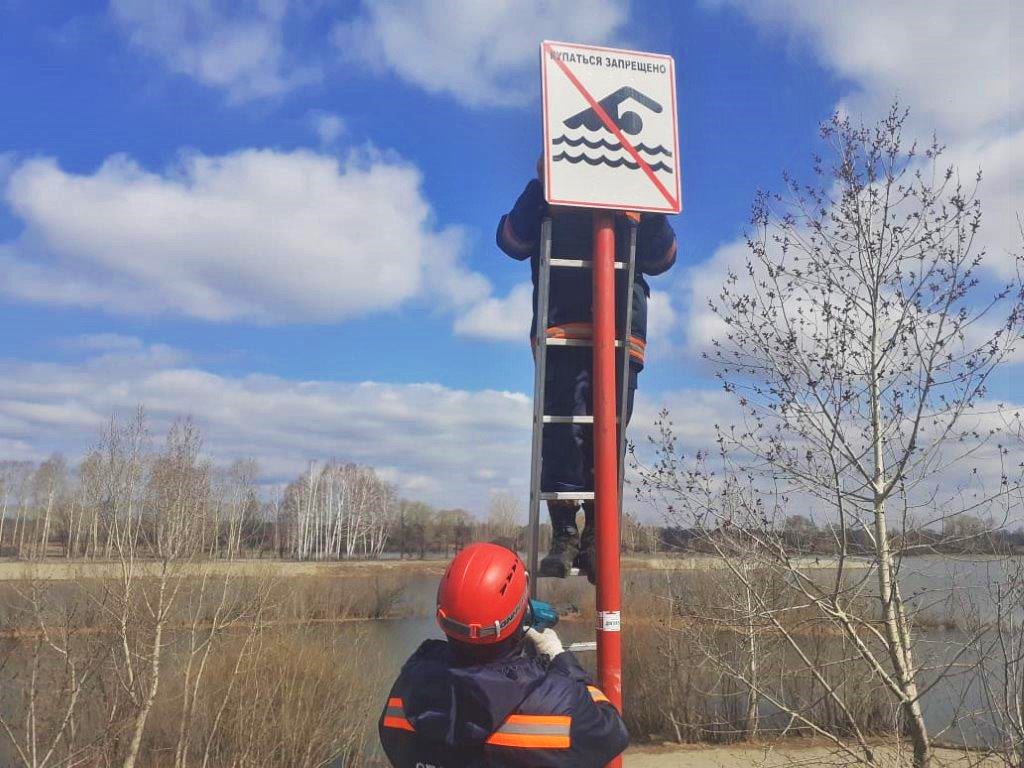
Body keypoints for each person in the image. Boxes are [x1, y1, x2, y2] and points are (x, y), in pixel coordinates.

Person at [496, 161, 678, 581]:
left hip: (620, 333)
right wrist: (542, 184)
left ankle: (598, 534)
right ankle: (564, 535)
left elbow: (662, 257)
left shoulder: (638, 192)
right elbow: (512, 240)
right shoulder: (548, 189)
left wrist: (648, 196)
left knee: (609, 435)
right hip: (561, 331)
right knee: (560, 434)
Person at [378, 542, 628, 767]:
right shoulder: (557, 703)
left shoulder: (408, 689)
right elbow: (611, 730)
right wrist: (559, 658)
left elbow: (395, 745)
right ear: (519, 614)